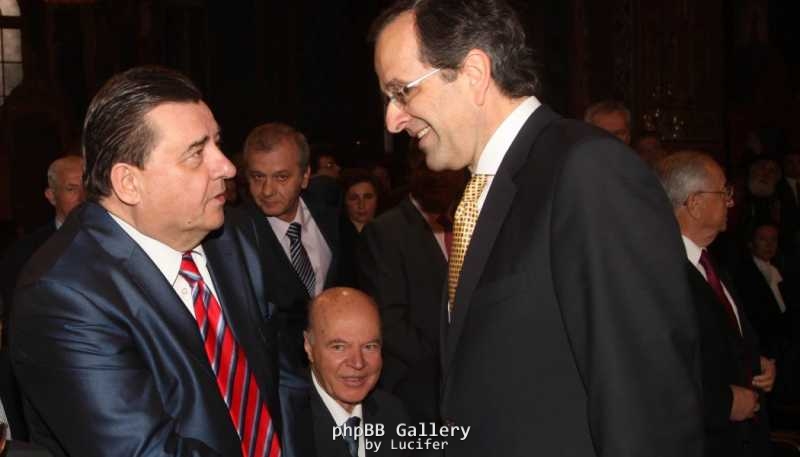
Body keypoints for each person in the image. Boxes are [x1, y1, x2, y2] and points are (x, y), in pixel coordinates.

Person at [370, 1, 703, 456]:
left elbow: (647, 402)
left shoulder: (587, 170)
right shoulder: (484, 190)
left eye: (402, 91)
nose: (392, 119)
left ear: (473, 73)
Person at [10, 66, 281, 457]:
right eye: (196, 154)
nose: (227, 166)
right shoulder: (62, 297)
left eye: (217, 143)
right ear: (129, 183)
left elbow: (279, 379)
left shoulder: (234, 234)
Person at [655, 151, 773, 457]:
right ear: (695, 203)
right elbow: (657, 370)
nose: (731, 202)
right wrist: (722, 404)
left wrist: (756, 362)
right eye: (723, 192)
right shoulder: (659, 272)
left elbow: (723, 339)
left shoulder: (711, 263)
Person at [237, 122, 356, 378]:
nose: (267, 190)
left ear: (305, 176)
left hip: (344, 367)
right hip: (280, 380)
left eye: (281, 177)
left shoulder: (330, 211)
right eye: (258, 177)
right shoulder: (235, 236)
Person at [356, 156, 464, 422]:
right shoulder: (386, 231)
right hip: (416, 389)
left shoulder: (463, 221)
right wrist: (446, 363)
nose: (444, 177)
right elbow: (389, 320)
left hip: (462, 383)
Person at [0, 154, 85, 443]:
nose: (83, 197)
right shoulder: (24, 256)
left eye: (87, 186)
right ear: (51, 196)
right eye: (72, 189)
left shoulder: (124, 245)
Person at [296, 287, 409, 457]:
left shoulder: (393, 414)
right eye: (339, 347)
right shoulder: (286, 424)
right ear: (309, 347)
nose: (358, 363)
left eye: (369, 346)